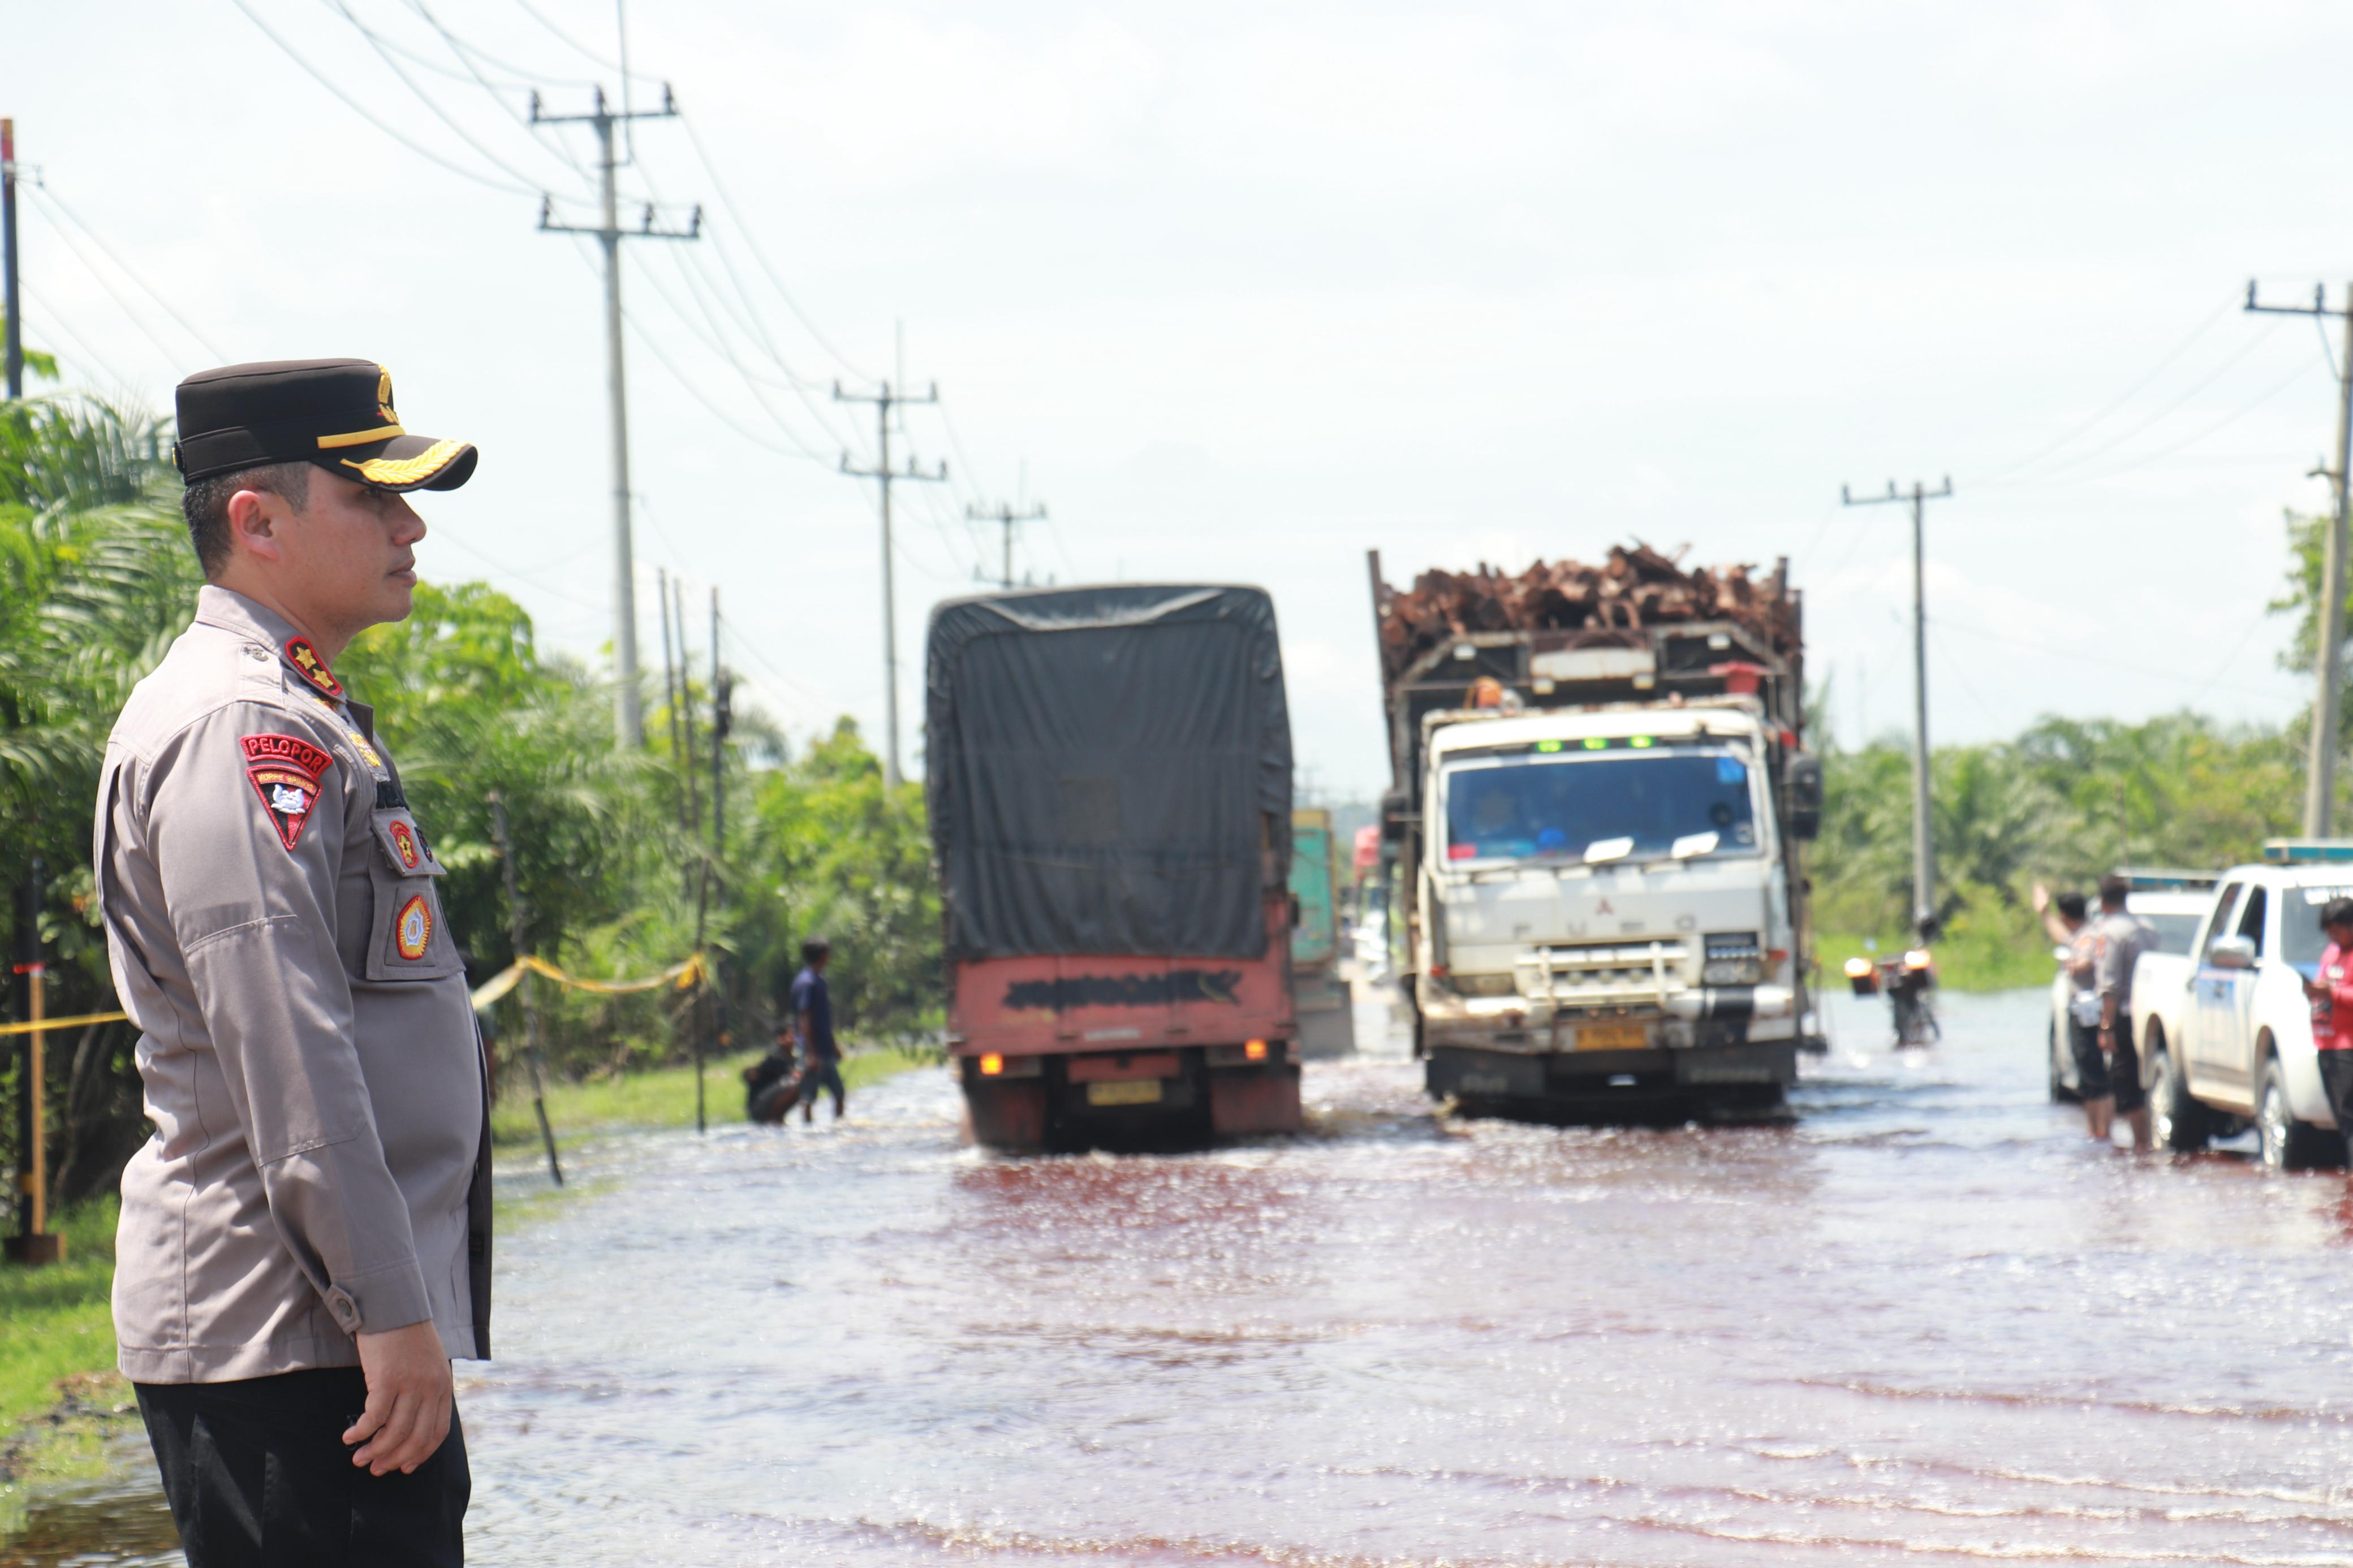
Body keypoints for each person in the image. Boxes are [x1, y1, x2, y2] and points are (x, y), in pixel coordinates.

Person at [94, 360, 488, 1565]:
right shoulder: (242, 726)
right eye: (373, 496)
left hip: (318, 1327)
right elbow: (291, 1048)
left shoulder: (295, 712)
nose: (411, 526)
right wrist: (388, 1306)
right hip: (291, 1335)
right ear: (258, 522)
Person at [2033, 883, 2108, 1137]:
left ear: (2065, 916)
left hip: (2090, 1013)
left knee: (2095, 1076)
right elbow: (2063, 937)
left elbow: (2086, 960)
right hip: (2086, 1012)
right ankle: (2096, 1133)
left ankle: (2101, 1133)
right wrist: (2044, 912)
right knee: (2088, 1075)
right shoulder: (2083, 934)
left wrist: (2075, 965)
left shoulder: (2089, 936)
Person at [2090, 873, 2158, 1152]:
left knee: (2126, 1079)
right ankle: (2148, 1142)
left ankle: (2141, 1145)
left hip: (2125, 1015)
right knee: (2146, 1078)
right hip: (2150, 1013)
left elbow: (2111, 986)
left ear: (2102, 901)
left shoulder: (2111, 933)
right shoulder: (2147, 928)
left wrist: (2106, 1027)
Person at [2300, 897, 2353, 1165]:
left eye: (2337, 930)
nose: (2332, 936)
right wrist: (2313, 991)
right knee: (2343, 1119)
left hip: (2348, 1047)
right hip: (2327, 1045)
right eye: (2329, 931)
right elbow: (2324, 984)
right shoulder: (2332, 953)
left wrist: (2332, 992)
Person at [791, 936, 846, 1122]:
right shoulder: (807, 983)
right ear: (823, 956)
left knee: (839, 1093)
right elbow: (804, 1019)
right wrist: (810, 1053)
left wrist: (833, 1045)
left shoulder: (819, 980)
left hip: (824, 1048)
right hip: (813, 1051)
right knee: (808, 1097)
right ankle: (808, 1133)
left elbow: (824, 1019)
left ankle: (838, 1129)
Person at [743, 1027, 804, 1125]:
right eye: (790, 1036)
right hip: (759, 1106)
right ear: (781, 1039)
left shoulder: (794, 1058)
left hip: (768, 1100)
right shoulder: (774, 1059)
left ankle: (778, 1119)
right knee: (796, 1086)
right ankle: (774, 1119)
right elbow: (748, 1075)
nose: (792, 1039)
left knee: (799, 1085)